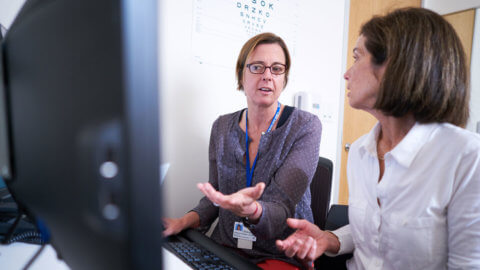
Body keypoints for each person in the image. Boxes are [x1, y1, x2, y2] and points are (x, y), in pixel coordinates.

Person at [276, 7, 480, 270]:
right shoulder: (361, 151)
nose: (346, 73)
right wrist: (330, 239)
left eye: (357, 57)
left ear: (394, 66)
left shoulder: (467, 156)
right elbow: (377, 229)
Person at [163, 32, 322, 269]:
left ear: (284, 77)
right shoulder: (222, 127)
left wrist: (253, 210)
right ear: (241, 74)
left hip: (280, 254)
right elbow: (214, 199)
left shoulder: (305, 126)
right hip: (226, 249)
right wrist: (182, 221)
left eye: (277, 69)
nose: (267, 76)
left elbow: (281, 208)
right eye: (257, 67)